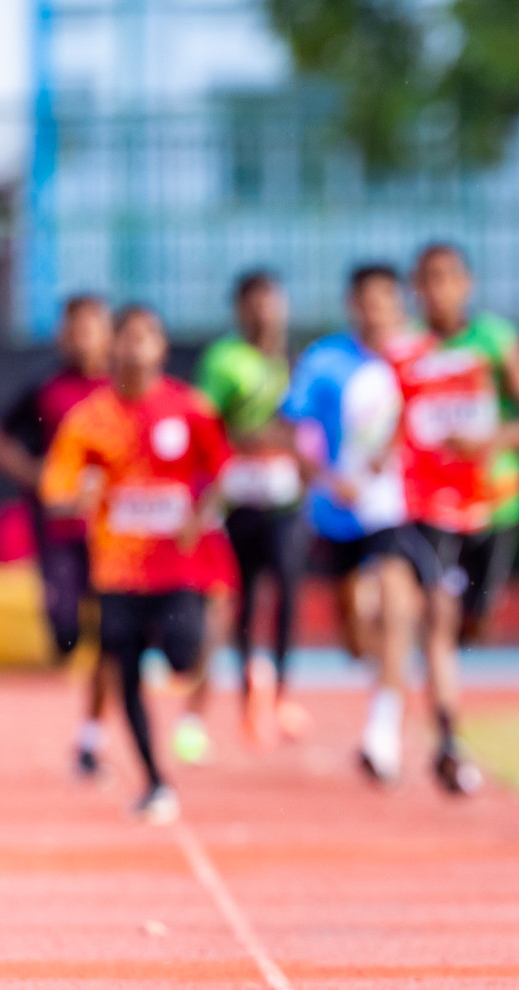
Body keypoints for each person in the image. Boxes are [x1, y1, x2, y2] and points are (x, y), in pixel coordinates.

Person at [40, 305, 231, 823]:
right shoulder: (90, 418)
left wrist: (202, 514)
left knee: (184, 656)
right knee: (122, 672)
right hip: (119, 573)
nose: (136, 346)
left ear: (162, 348)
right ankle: (154, 781)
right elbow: (55, 490)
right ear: (113, 348)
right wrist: (79, 495)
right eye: (126, 337)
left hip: (178, 570)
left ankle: (172, 667)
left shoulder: (189, 408)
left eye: (148, 336)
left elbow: (221, 474)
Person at [281, 264, 447, 789]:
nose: (376, 310)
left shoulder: (422, 357)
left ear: (400, 305)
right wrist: (329, 479)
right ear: (352, 306)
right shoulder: (325, 361)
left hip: (398, 510)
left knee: (400, 603)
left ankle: (384, 732)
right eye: (365, 301)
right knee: (355, 629)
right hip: (337, 513)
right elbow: (297, 432)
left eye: (385, 300)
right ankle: (380, 674)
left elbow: (441, 417)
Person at [408, 243, 519, 645]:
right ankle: (438, 694)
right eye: (426, 280)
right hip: (429, 499)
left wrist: (488, 441)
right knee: (433, 607)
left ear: (466, 284)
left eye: (445, 278)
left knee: (476, 621)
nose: (436, 290)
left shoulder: (494, 340)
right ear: (414, 287)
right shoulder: (406, 348)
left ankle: (460, 649)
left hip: (492, 498)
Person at [0, 294, 113, 777]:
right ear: (63, 334)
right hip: (58, 532)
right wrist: (33, 474)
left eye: (92, 327)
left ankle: (92, 735)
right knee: (64, 630)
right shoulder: (45, 389)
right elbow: (1, 438)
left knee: (112, 630)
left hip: (114, 538)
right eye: (75, 328)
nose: (83, 338)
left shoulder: (122, 390)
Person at [192, 269, 308, 748]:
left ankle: (281, 691)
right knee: (242, 597)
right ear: (240, 308)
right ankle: (247, 694)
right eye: (254, 301)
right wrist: (244, 438)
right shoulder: (224, 360)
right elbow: (203, 422)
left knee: (288, 588)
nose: (264, 310)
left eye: (271, 300)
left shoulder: (295, 362)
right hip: (239, 496)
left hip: (285, 497)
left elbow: (309, 428)